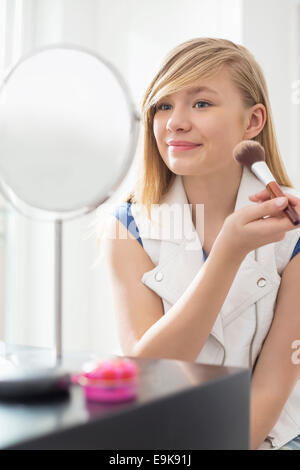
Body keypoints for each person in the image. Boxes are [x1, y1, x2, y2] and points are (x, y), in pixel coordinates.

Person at [99, 37, 300, 450]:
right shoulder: (128, 227)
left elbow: (273, 387)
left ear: (252, 121)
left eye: (201, 103)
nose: (175, 122)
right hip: (164, 439)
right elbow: (149, 373)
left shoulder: (292, 230)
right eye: (163, 105)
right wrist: (227, 253)